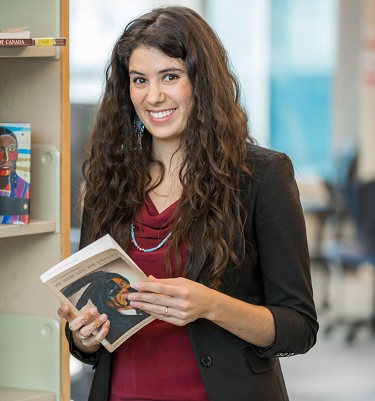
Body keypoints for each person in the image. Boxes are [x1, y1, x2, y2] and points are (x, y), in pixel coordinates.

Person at [57, 6, 318, 401]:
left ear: (202, 81)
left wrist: (210, 305)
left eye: (171, 77)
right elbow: (92, 341)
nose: (154, 95)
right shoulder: (108, 182)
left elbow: (299, 327)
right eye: (139, 80)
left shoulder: (263, 177)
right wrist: (85, 336)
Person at [61, 270, 149, 344]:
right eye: (112, 290)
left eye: (122, 284)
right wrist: (83, 339)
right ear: (102, 301)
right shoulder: (114, 327)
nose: (123, 290)